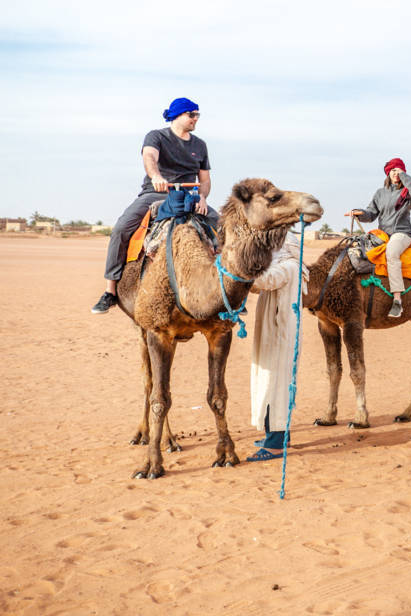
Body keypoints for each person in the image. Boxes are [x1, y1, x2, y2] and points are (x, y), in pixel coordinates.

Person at [92, 98, 218, 314]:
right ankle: (110, 291)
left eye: (198, 115)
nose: (196, 119)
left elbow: (204, 180)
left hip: (190, 195)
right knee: (121, 229)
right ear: (178, 115)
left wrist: (203, 197)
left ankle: (227, 290)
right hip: (156, 193)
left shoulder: (200, 145)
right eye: (192, 114)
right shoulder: (157, 136)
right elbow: (149, 157)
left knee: (225, 227)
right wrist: (156, 176)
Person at [247, 229, 308, 461]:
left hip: (280, 336)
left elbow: (264, 280)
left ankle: (274, 445)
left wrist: (236, 265)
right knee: (277, 385)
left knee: (275, 386)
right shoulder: (291, 268)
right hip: (277, 334)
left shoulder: (288, 268)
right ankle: (282, 437)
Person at [348, 158, 411, 318]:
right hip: (384, 234)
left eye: (399, 170)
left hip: (402, 233)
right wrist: (359, 213)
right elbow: (371, 214)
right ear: (388, 173)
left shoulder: (409, 192)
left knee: (391, 253)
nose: (396, 173)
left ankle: (397, 300)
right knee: (357, 249)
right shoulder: (380, 193)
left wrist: (405, 178)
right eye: (393, 171)